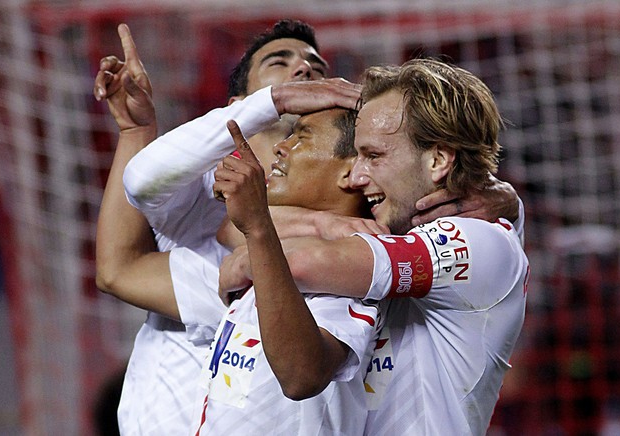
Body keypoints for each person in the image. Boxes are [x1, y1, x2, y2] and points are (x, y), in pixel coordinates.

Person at [217, 58, 529, 435]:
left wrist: (252, 247)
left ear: (438, 159)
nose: (359, 175)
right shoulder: (408, 227)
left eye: (375, 156)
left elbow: (301, 262)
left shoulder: (478, 241)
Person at [93, 20, 375, 434]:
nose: (305, 71)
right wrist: (137, 132)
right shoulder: (199, 182)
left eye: (317, 65)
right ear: (239, 104)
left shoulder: (349, 252)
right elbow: (142, 181)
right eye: (280, 63)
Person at [192, 109, 385, 434]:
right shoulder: (261, 260)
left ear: (350, 171)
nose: (282, 147)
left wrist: (257, 227)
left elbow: (302, 375)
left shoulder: (343, 274)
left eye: (302, 136)